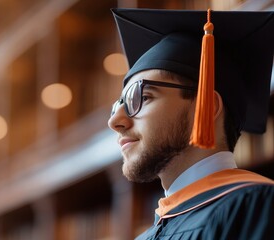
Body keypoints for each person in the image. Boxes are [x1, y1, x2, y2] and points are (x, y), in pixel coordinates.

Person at [108, 8, 274, 239]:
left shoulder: (257, 208)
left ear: (208, 106)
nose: (115, 121)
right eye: (118, 105)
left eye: (142, 97)